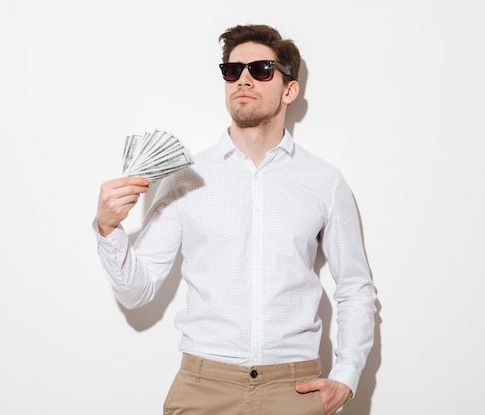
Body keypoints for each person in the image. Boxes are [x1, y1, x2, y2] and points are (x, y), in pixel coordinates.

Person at [93, 24, 376, 415]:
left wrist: (346, 376)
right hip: (204, 387)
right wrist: (108, 229)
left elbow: (355, 287)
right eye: (232, 70)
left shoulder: (323, 181)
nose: (243, 79)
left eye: (261, 70)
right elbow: (136, 292)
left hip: (292, 388)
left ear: (289, 89)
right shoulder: (184, 177)